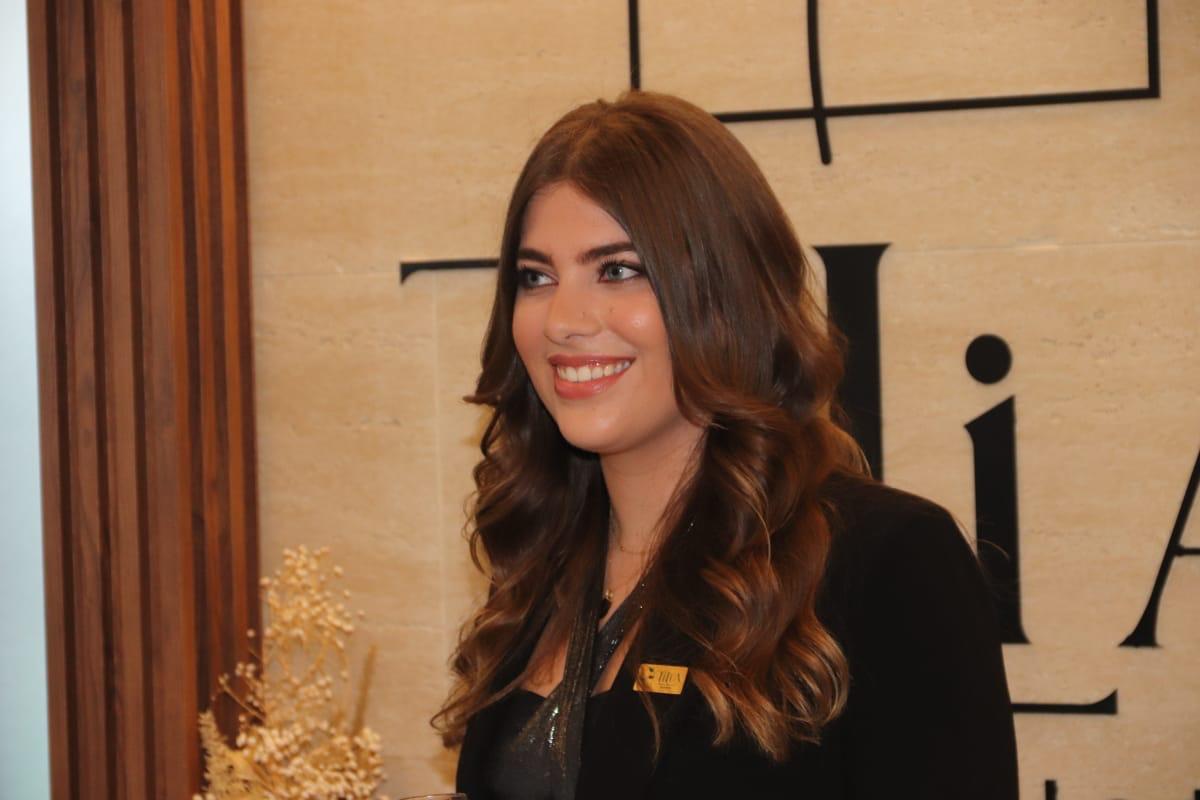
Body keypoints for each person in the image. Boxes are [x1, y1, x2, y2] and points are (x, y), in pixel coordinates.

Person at [431, 89, 1019, 799]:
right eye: (536, 277)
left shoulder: (886, 562)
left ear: (726, 291)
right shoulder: (541, 567)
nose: (563, 319)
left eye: (617, 270)